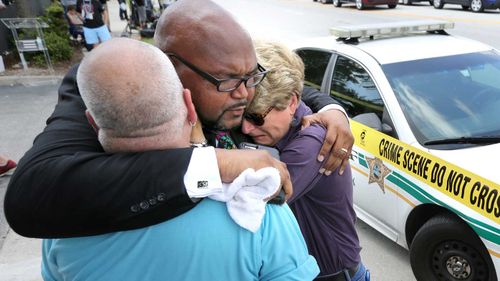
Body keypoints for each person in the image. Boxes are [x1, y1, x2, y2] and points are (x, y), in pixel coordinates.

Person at [4, 0, 352, 239]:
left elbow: (278, 85)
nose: (245, 95)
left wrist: (331, 108)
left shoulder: (231, 82)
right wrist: (214, 164)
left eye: (251, 76)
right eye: (231, 81)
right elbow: (30, 195)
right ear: (171, 71)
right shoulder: (110, 84)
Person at [42, 37, 319, 281]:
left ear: (92, 122)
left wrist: (328, 106)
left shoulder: (59, 218)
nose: (246, 126)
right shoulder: (256, 203)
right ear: (189, 105)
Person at [242, 41, 368, 281]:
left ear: (291, 103)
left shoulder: (313, 143)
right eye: (241, 116)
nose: (246, 128)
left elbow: (251, 205)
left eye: (255, 117)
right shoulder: (279, 122)